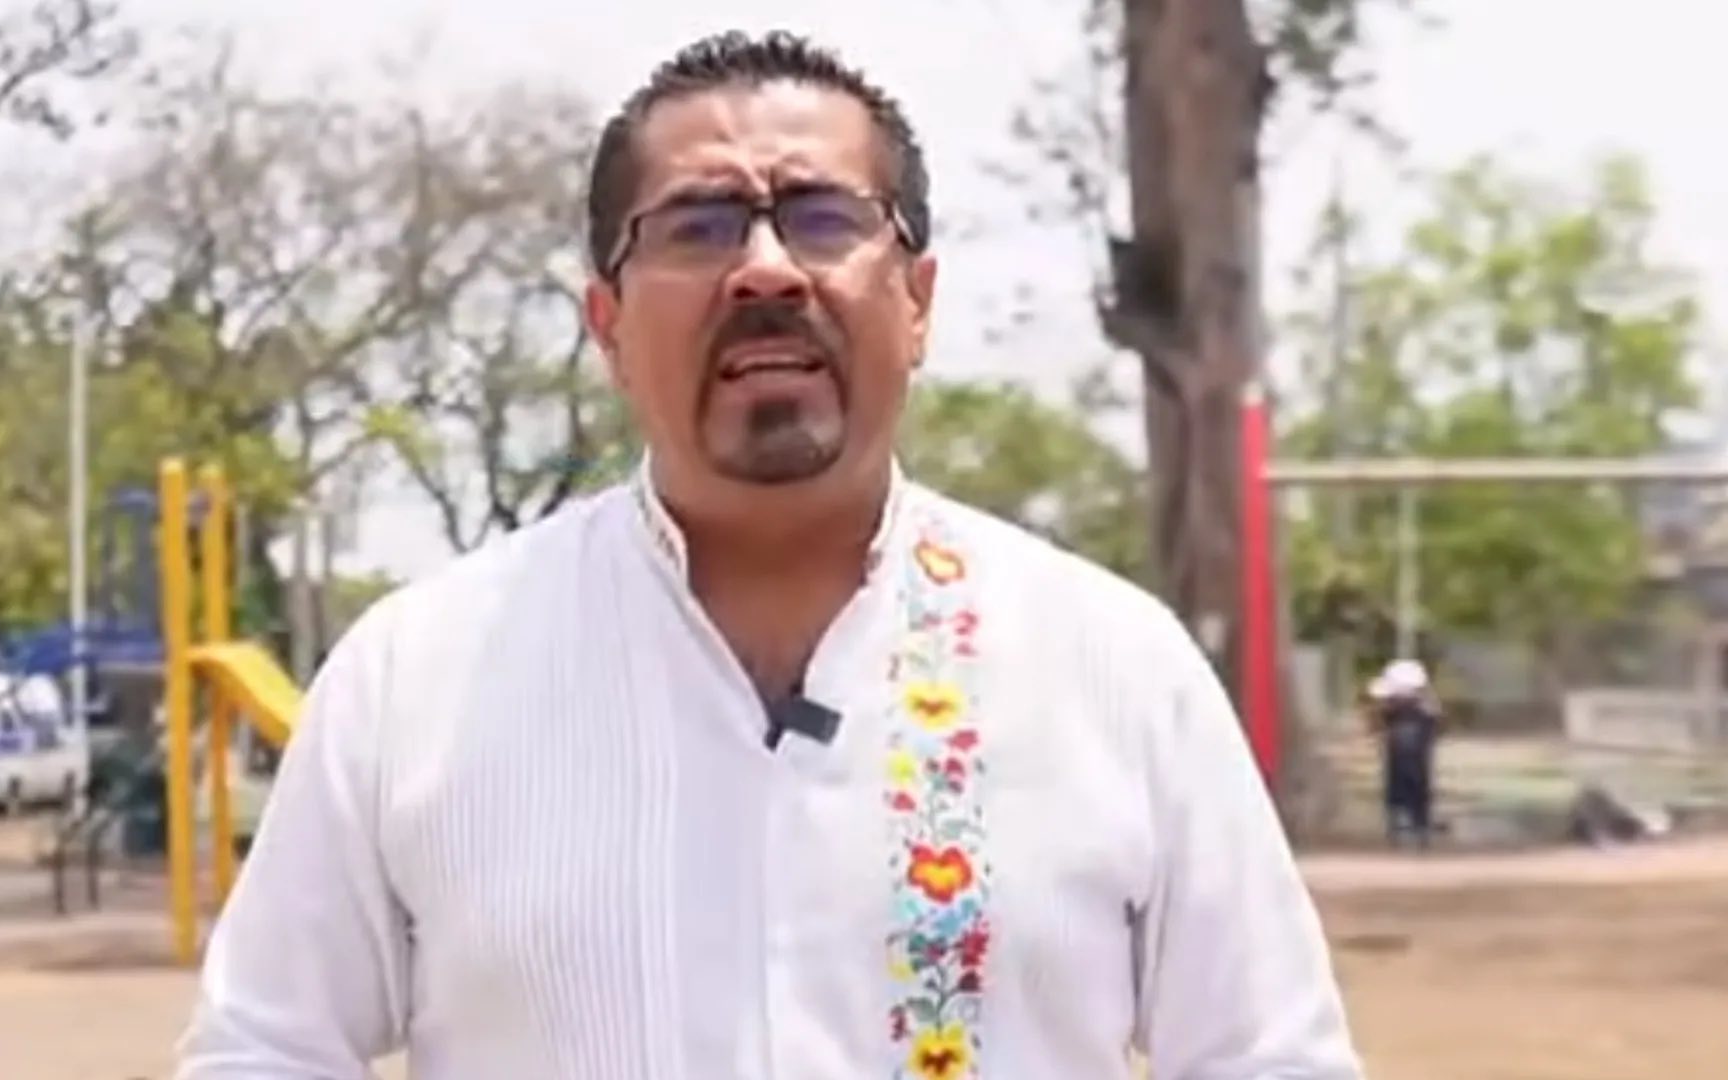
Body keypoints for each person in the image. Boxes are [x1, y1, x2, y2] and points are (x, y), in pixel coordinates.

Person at [176, 30, 1363, 1079]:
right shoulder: (414, 683)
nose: (766, 267)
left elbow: (1268, 1057)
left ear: (917, 302)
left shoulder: (1111, 669)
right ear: (607, 325)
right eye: (697, 225)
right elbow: (264, 1050)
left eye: (823, 217)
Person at [1367, 658, 1441, 849]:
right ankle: (1408, 824)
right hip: (1402, 762)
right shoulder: (1403, 712)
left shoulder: (1422, 712)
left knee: (1413, 786)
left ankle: (1415, 824)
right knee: (1402, 786)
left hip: (1412, 763)